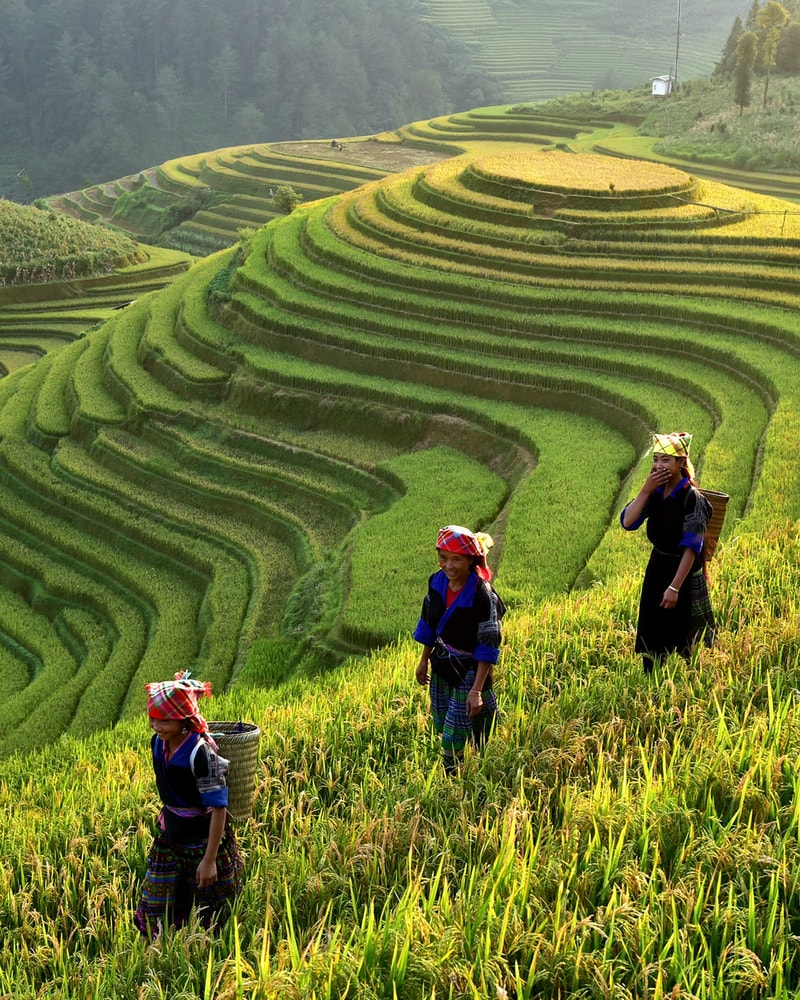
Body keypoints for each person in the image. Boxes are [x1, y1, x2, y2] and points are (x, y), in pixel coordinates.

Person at [134, 671, 243, 937]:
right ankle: (161, 950)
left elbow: (219, 807)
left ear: (184, 720)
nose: (157, 726)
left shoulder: (201, 752)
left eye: (165, 720)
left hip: (202, 840)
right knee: (158, 908)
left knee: (210, 911)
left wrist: (209, 860)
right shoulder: (158, 744)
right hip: (171, 835)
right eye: (153, 719)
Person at [621, 432, 716, 674]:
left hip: (680, 573)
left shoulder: (692, 499)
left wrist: (674, 588)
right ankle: (650, 680)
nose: (658, 465)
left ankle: (682, 685)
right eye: (656, 459)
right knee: (651, 631)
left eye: (666, 460)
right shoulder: (655, 493)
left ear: (681, 463)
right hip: (657, 567)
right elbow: (628, 522)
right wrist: (645, 489)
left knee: (681, 635)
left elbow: (692, 547)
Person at [414, 525, 506, 774]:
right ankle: (483, 745)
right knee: (444, 718)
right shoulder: (436, 582)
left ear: (470, 561)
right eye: (443, 558)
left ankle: (452, 773)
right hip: (442, 663)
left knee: (456, 726)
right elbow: (428, 622)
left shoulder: (482, 595)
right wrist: (423, 661)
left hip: (468, 667)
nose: (449, 566)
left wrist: (476, 689)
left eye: (456, 559)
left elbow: (488, 643)